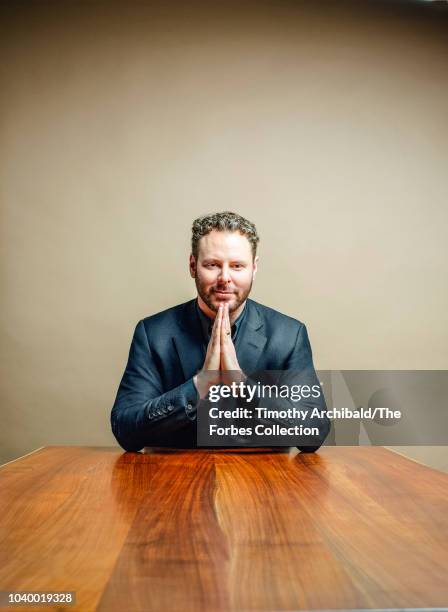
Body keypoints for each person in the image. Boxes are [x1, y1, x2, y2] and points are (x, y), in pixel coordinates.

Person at [111, 211, 330, 452]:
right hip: (174, 480)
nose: (224, 278)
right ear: (193, 266)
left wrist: (241, 384)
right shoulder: (152, 333)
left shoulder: (289, 335)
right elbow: (126, 431)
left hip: (263, 482)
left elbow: (313, 432)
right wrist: (200, 384)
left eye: (237, 266)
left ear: (254, 269)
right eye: (212, 265)